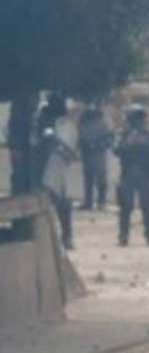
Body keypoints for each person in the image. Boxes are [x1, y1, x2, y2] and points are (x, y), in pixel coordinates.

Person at [114, 105, 149, 247]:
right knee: (125, 207)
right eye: (134, 117)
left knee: (147, 207)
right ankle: (124, 235)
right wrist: (129, 144)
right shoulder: (123, 134)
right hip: (127, 173)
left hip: (145, 173)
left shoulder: (148, 133)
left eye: (139, 117)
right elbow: (116, 149)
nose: (137, 121)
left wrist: (141, 144)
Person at [38, 94, 78, 250]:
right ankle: (48, 239)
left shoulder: (64, 124)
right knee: (44, 205)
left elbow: (69, 146)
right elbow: (37, 142)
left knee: (62, 204)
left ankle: (66, 237)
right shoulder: (43, 120)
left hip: (57, 165)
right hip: (42, 165)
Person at [77, 101, 113, 211]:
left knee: (100, 177)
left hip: (98, 152)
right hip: (87, 151)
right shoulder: (83, 119)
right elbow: (79, 135)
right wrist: (83, 145)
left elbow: (110, 138)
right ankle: (88, 201)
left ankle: (101, 202)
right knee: (88, 177)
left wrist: (98, 145)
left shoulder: (104, 120)